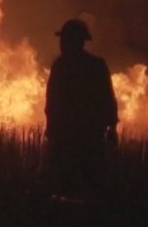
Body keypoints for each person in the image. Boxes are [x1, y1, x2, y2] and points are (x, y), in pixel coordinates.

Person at [44, 19, 119, 197]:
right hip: (86, 136)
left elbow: (52, 101)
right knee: (89, 184)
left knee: (69, 184)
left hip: (74, 137)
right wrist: (112, 126)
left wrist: (52, 128)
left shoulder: (62, 66)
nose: (62, 44)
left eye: (65, 40)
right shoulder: (95, 65)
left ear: (76, 41)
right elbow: (108, 99)